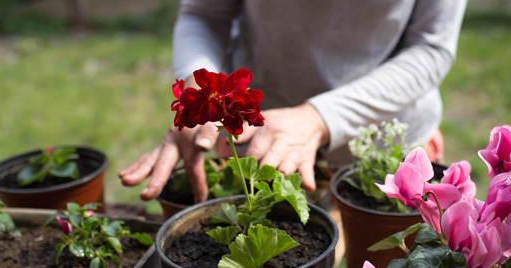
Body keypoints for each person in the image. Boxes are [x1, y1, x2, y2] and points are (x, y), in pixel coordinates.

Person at [119, 0, 467, 203]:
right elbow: (204, 14)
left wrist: (320, 117)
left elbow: (431, 47)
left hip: (389, 148)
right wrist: (202, 92)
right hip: (263, 143)